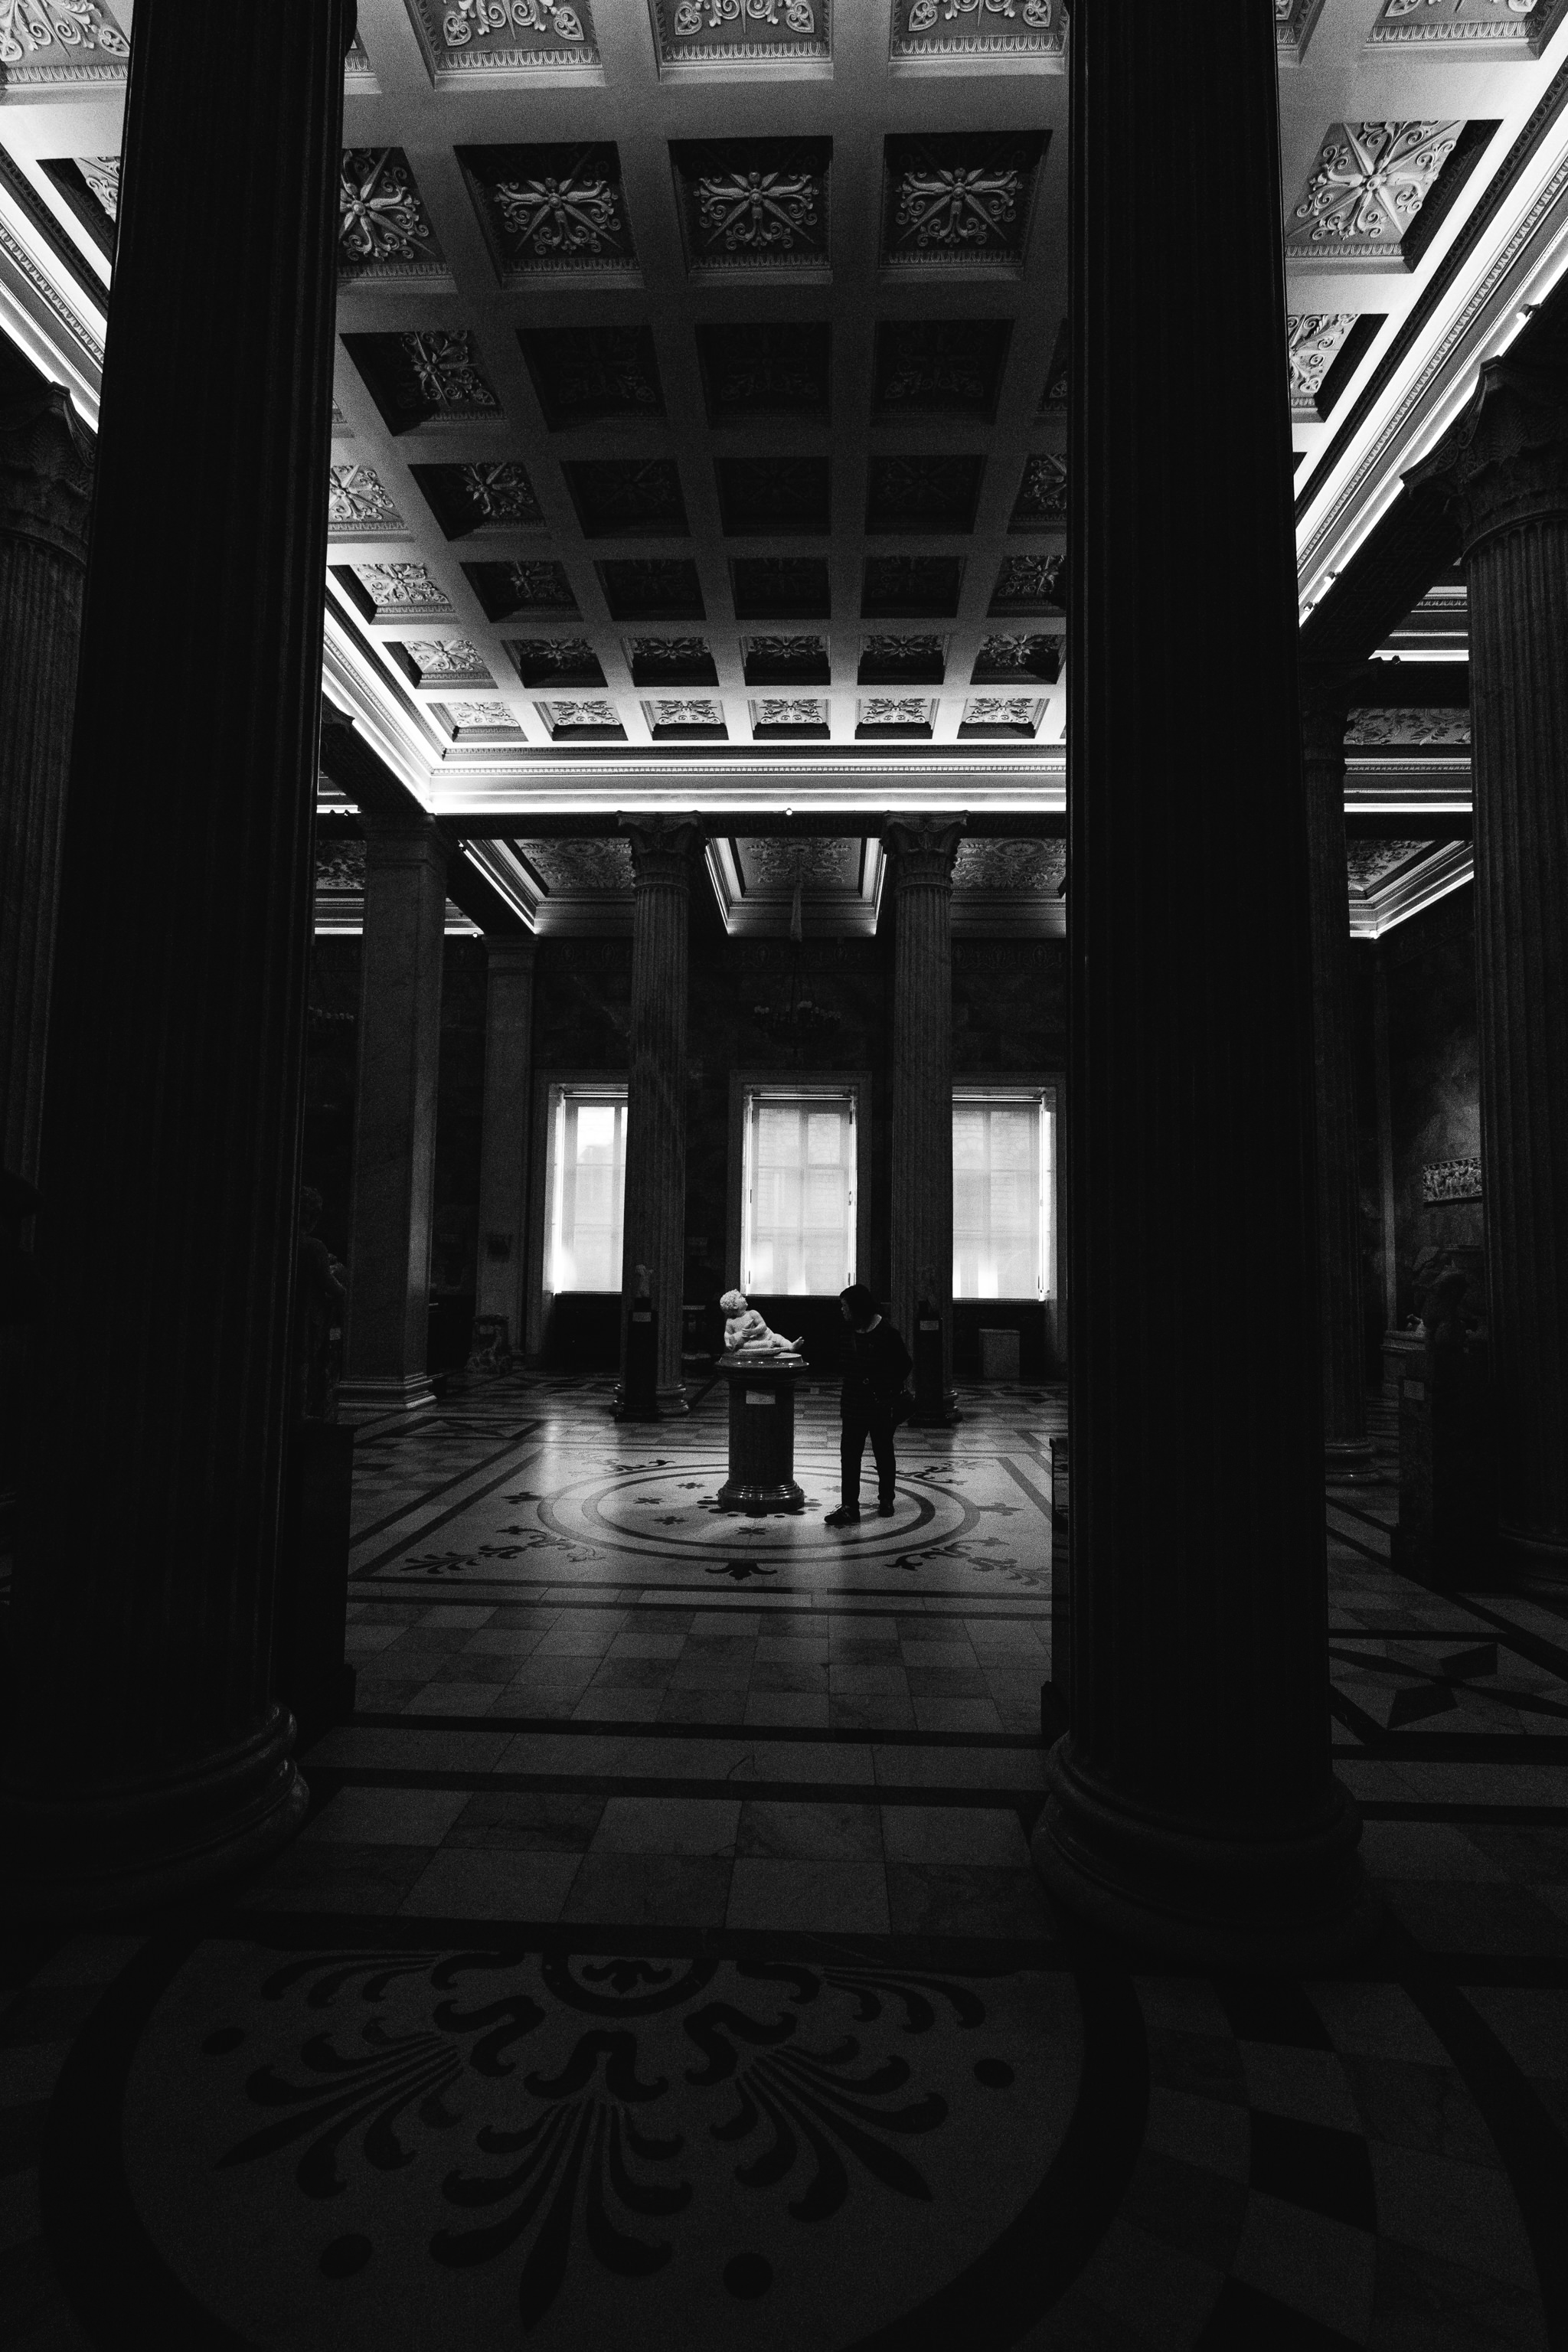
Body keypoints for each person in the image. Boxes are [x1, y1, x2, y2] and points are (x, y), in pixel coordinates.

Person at [826, 1282, 911, 1527]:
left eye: (845, 1306)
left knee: (883, 1452)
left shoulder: (887, 1333)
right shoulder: (847, 1331)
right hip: (853, 1403)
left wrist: (885, 1385)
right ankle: (849, 1507)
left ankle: (886, 1499)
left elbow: (905, 1365)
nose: (842, 1311)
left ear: (858, 1307)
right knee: (849, 1457)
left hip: (880, 1404)